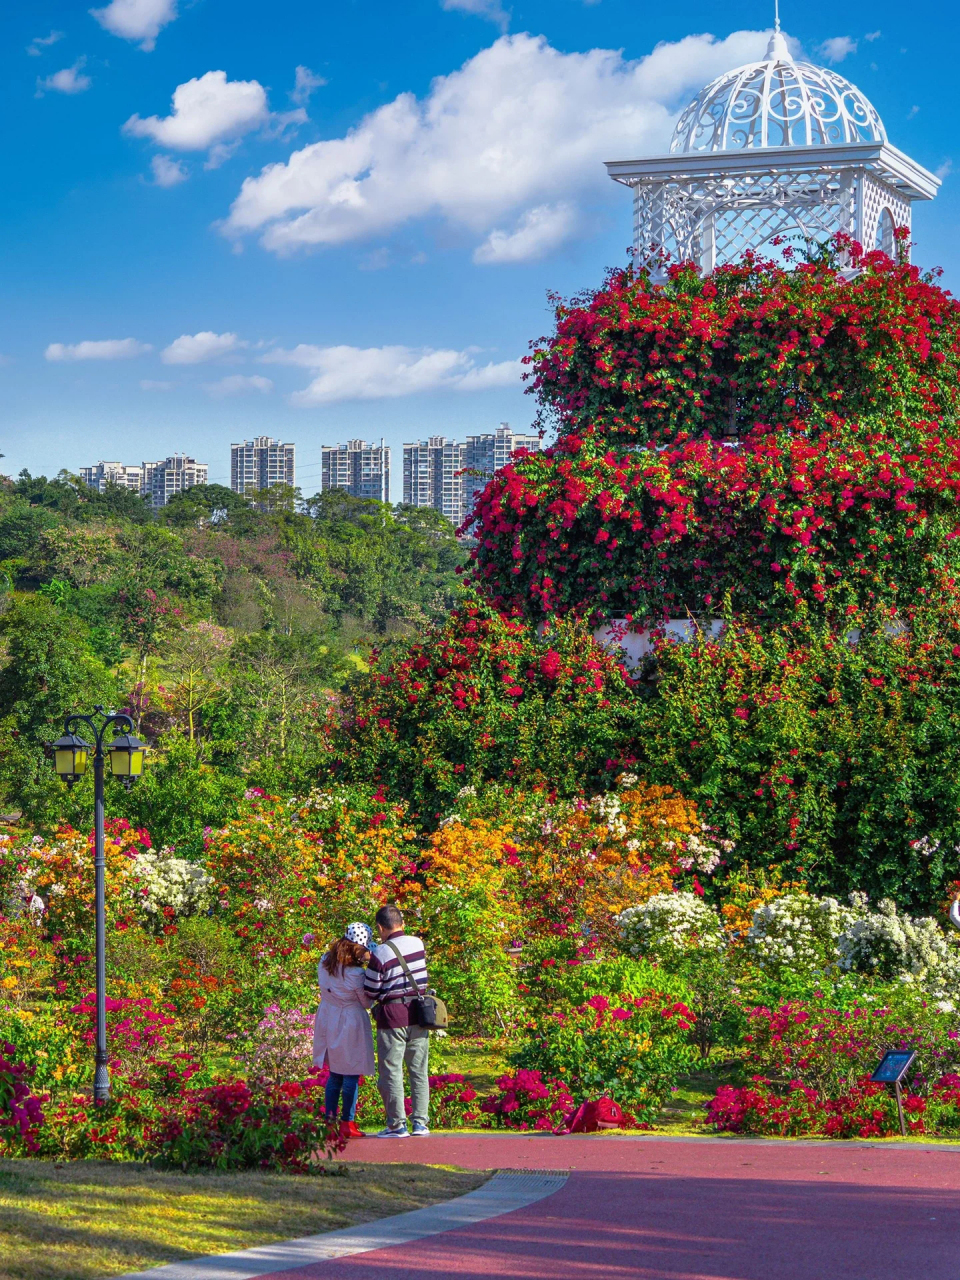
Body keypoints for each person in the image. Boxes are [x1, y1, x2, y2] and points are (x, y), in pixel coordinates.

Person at [364, 904, 430, 1138]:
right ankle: (420, 1123)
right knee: (419, 1071)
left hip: (392, 1017)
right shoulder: (418, 943)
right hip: (419, 1014)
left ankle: (397, 1125)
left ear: (380, 928)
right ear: (402, 923)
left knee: (391, 1071)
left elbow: (371, 990)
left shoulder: (381, 953)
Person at [312, 922, 375, 1140]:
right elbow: (366, 1002)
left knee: (335, 1073)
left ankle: (329, 1123)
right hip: (350, 1020)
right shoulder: (355, 972)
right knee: (350, 1072)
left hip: (329, 1016)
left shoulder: (325, 961)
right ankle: (347, 1122)